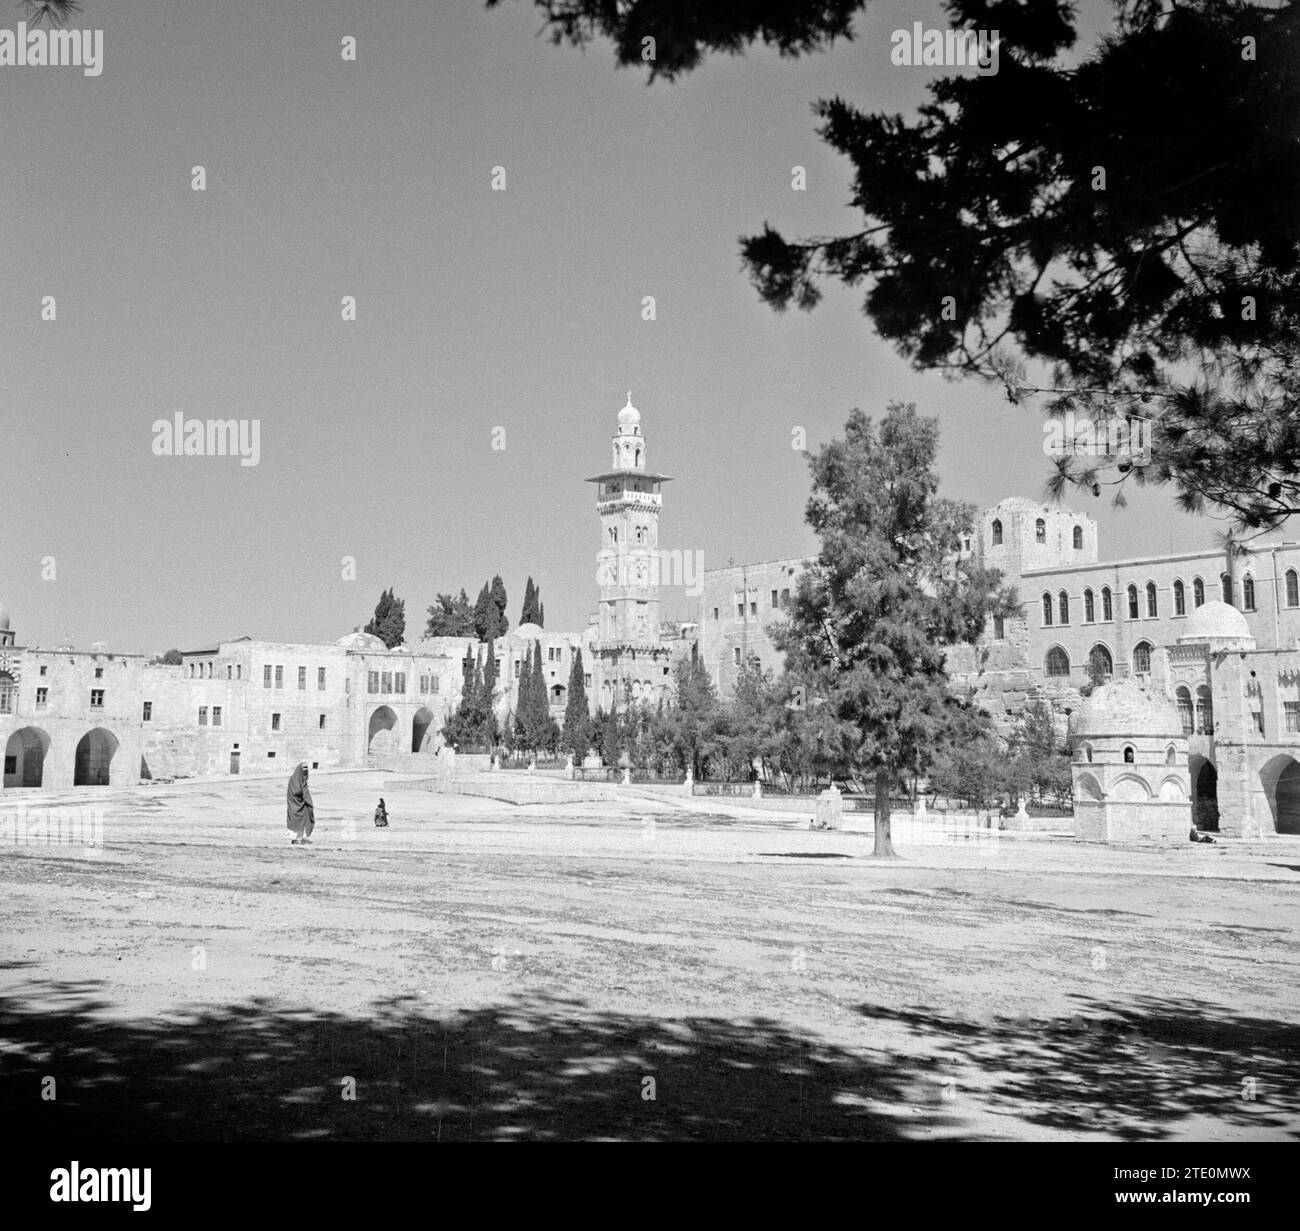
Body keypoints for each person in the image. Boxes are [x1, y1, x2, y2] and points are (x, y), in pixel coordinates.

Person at [287, 762, 315, 846]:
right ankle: (295, 839)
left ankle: (304, 838)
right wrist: (304, 795)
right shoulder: (294, 779)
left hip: (303, 804)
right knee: (296, 821)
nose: (305, 772)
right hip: (295, 805)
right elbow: (296, 791)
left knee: (307, 817)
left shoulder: (303, 780)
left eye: (306, 770)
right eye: (304, 770)